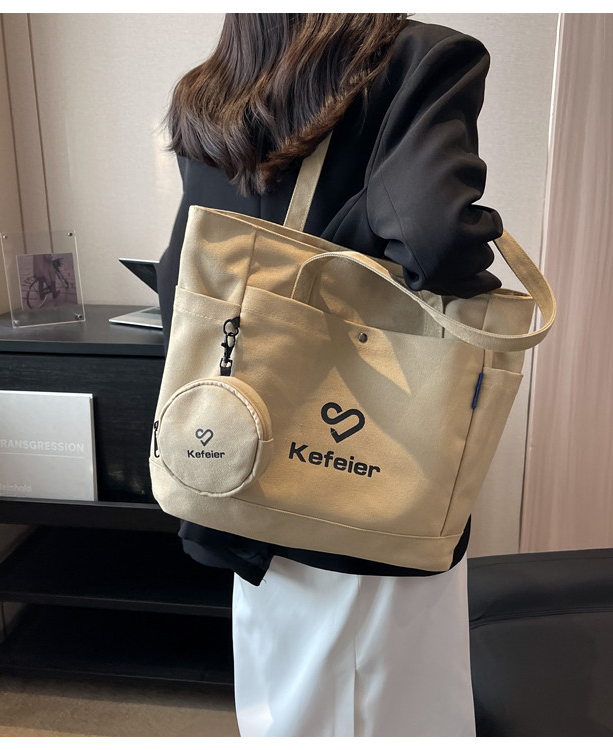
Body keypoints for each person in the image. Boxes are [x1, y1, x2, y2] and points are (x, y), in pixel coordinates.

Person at [156, 13, 503, 737]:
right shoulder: (416, 57)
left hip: (242, 465)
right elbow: (436, 241)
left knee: (286, 702)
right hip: (361, 475)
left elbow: (182, 272)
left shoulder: (214, 88)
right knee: (381, 706)